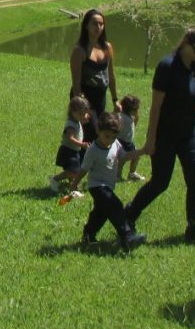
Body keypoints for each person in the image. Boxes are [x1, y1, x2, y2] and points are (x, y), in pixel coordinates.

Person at [123, 27, 195, 245]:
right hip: (166, 134)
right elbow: (156, 106)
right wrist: (151, 139)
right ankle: (129, 213)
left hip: (189, 134)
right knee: (160, 182)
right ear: (185, 43)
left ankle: (193, 231)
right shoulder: (167, 67)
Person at [69, 112, 147, 252]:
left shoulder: (115, 144)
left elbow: (125, 156)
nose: (109, 140)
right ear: (98, 131)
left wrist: (142, 151)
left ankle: (88, 234)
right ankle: (127, 237)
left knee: (101, 212)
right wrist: (74, 184)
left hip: (108, 186)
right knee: (114, 205)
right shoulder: (93, 150)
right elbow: (83, 169)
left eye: (113, 136)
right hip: (97, 186)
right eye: (107, 136)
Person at [68, 8, 117, 119]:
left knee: (99, 134)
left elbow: (111, 76)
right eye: (95, 23)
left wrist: (115, 100)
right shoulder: (79, 51)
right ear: (86, 26)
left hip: (100, 100)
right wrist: (83, 110)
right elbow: (76, 83)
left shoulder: (107, 47)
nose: (98, 27)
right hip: (83, 103)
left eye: (101, 24)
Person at [50, 95, 94, 195]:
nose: (84, 116)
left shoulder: (76, 120)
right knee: (73, 171)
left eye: (85, 114)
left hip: (74, 150)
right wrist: (82, 144)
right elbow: (70, 138)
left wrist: (86, 116)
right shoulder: (70, 124)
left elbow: (86, 115)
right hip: (68, 151)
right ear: (73, 112)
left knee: (73, 170)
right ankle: (55, 179)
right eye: (82, 114)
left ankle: (73, 187)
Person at [115, 94, 144, 182]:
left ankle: (132, 173)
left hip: (128, 142)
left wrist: (136, 118)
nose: (137, 111)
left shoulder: (130, 117)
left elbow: (134, 125)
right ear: (132, 110)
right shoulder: (121, 117)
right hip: (121, 142)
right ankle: (117, 176)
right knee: (122, 161)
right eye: (136, 109)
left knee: (137, 156)